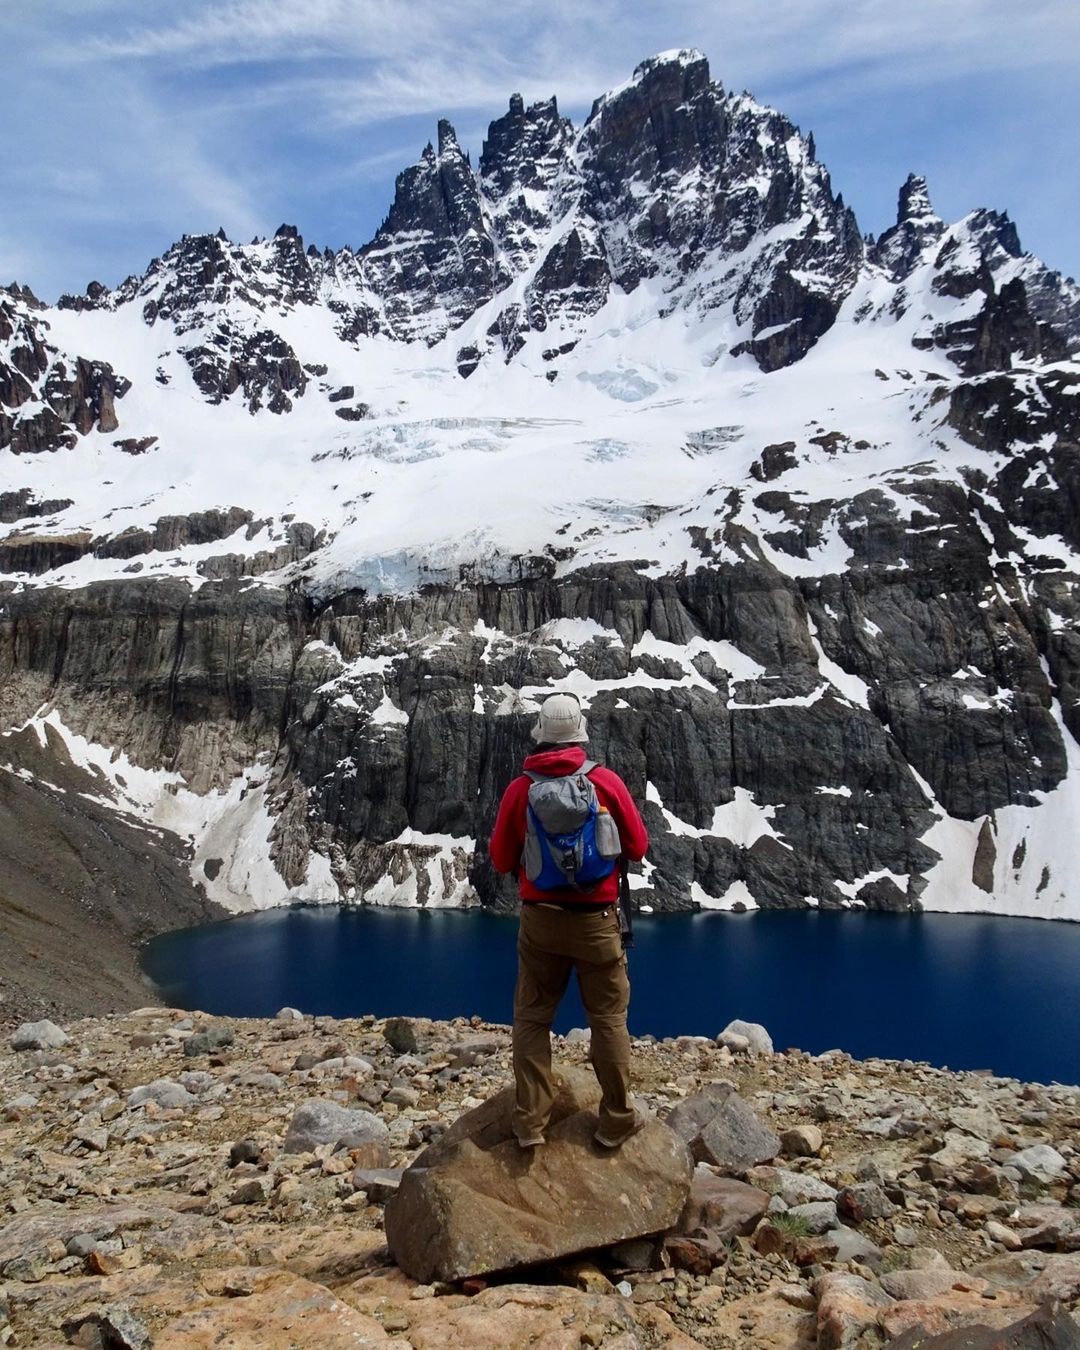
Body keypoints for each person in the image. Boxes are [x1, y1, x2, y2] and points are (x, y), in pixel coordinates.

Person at [489, 691, 649, 1149]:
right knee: (607, 1019)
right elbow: (637, 848)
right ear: (579, 733)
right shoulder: (606, 782)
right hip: (597, 922)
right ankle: (616, 1119)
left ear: (541, 735)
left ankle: (530, 1125)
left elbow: (501, 859)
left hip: (540, 922)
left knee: (533, 1018)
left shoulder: (521, 789)